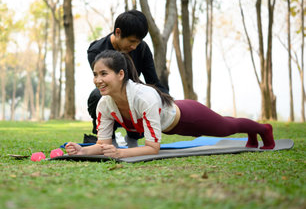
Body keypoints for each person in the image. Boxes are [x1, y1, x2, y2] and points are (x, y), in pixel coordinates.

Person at [66, 50, 275, 158]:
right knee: (227, 126)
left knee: (228, 127)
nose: (98, 80)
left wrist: (121, 152)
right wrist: (82, 150)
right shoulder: (105, 104)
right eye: (95, 74)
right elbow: (103, 144)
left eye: (104, 74)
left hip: (188, 116)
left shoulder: (143, 97)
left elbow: (152, 148)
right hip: (171, 125)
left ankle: (263, 129)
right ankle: (254, 134)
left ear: (121, 74)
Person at [86, 10, 169, 147]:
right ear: (118, 32)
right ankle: (109, 140)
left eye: (138, 42)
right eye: (131, 41)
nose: (134, 47)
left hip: (136, 97)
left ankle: (132, 139)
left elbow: (153, 82)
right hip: (113, 96)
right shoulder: (96, 50)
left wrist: (168, 102)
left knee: (147, 95)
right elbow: (104, 84)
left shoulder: (142, 48)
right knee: (97, 95)